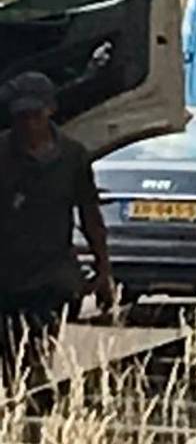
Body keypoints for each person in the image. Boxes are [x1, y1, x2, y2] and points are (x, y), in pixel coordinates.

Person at [0, 71, 114, 388]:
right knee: (9, 356)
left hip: (52, 275)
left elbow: (89, 213)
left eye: (34, 115)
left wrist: (103, 269)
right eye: (20, 117)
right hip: (7, 277)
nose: (28, 125)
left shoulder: (73, 156)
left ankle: (31, 415)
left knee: (37, 352)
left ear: (49, 110)